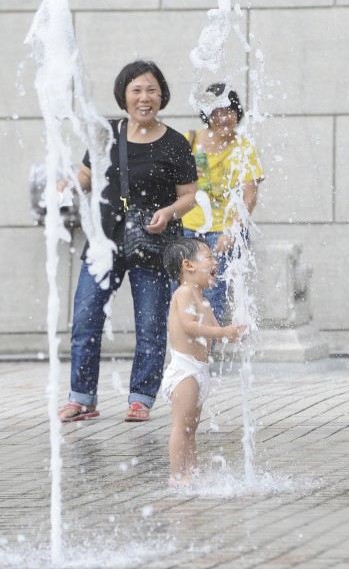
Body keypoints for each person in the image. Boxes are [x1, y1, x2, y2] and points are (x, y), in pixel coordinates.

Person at [57, 60, 198, 423]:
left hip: (152, 245)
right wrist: (67, 186)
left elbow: (189, 196)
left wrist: (168, 211)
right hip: (104, 244)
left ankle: (141, 397)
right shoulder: (108, 134)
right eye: (136, 90)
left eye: (151, 89)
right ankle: (82, 397)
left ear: (162, 95)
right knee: (86, 317)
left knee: (150, 324)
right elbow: (87, 175)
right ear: (124, 95)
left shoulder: (176, 143)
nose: (144, 97)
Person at [162, 237, 245, 486]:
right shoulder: (184, 293)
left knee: (191, 429)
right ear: (188, 265)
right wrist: (223, 333)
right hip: (184, 370)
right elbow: (189, 326)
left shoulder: (204, 299)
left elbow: (217, 330)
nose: (215, 262)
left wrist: (235, 333)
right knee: (180, 426)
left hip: (199, 370)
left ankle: (192, 472)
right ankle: (177, 475)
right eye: (208, 257)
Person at [182, 83, 264, 324]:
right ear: (207, 115)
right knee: (184, 292)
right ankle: (186, 351)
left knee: (213, 294)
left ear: (237, 113)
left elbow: (250, 196)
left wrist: (232, 231)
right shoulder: (191, 140)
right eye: (216, 112)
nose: (223, 118)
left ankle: (206, 351)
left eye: (229, 110)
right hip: (189, 228)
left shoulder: (244, 147)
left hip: (225, 230)